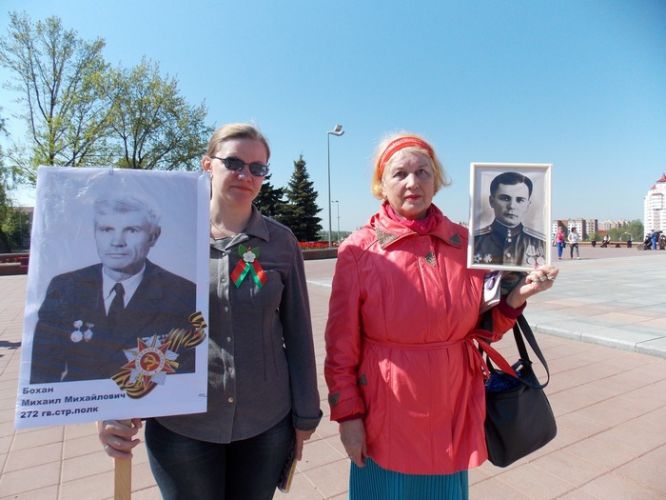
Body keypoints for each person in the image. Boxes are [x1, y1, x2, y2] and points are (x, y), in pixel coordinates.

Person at [324, 133, 558, 499]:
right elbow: (340, 348)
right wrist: (348, 417)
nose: (413, 182)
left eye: (423, 172)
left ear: (437, 180)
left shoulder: (468, 244)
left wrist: (518, 297)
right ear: (381, 184)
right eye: (400, 173)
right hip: (386, 409)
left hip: (452, 405)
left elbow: (482, 330)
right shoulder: (358, 251)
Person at [98, 124, 322, 499]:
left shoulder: (280, 243)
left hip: (266, 423)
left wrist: (305, 414)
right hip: (182, 426)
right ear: (207, 165)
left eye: (257, 168)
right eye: (233, 162)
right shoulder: (166, 238)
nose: (245, 175)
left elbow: (298, 333)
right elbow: (127, 324)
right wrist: (112, 404)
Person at [30, 193, 196, 384]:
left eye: (132, 230)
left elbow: (184, 375)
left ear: (153, 236)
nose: (117, 241)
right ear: (95, 233)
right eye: (107, 229)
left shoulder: (183, 294)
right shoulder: (66, 287)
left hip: (146, 408)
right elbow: (42, 371)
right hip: (80, 408)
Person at [473, 171, 546, 267]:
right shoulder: (475, 241)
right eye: (505, 198)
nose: (512, 206)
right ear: (491, 201)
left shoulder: (540, 243)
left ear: (528, 205)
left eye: (520, 200)